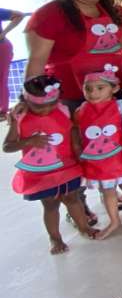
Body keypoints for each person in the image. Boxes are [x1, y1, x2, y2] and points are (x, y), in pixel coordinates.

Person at [4, 75, 96, 254]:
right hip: (40, 174)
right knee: (50, 205)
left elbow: (72, 131)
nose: (45, 109)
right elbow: (7, 146)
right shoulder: (19, 117)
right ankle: (55, 238)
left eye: (51, 104)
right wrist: (28, 141)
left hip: (67, 167)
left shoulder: (63, 109)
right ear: (27, 101)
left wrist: (78, 152)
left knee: (73, 199)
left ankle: (84, 227)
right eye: (39, 107)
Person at [75, 66, 122, 237]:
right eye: (88, 89)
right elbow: (75, 131)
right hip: (98, 163)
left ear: (114, 88)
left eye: (100, 88)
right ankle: (114, 221)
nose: (93, 93)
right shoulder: (80, 110)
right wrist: (77, 149)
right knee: (108, 191)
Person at [0, 8, 26, 116]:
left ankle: (2, 111)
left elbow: (19, 15)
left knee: (1, 79)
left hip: (1, 47)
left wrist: (2, 34)